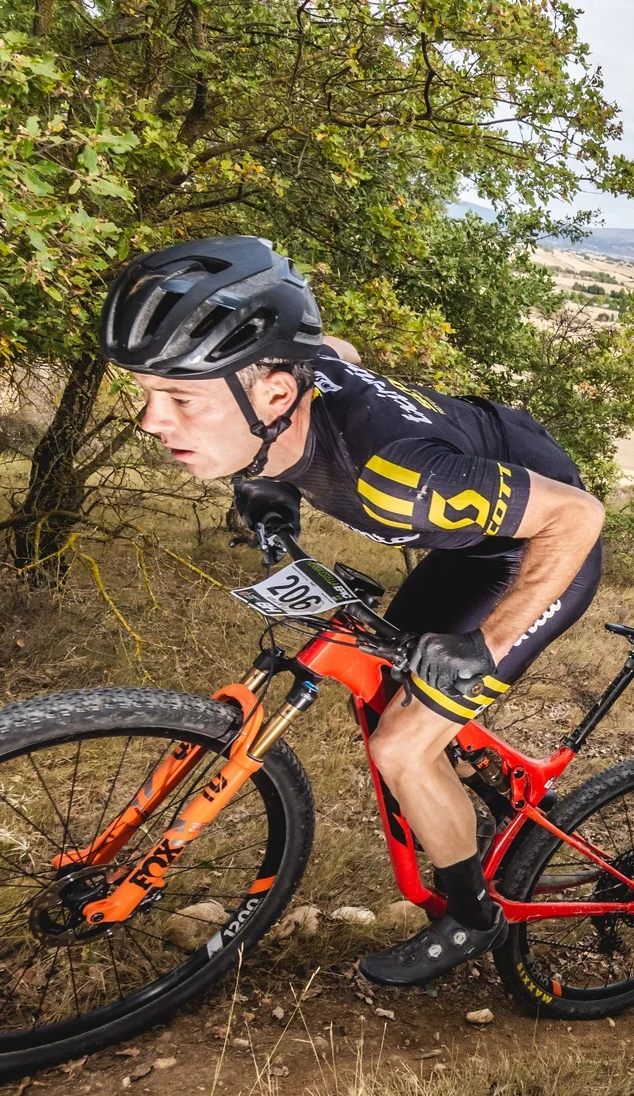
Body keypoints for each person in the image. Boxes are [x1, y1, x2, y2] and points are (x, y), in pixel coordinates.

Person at [101, 235, 606, 987]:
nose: (151, 421)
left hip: (538, 547)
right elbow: (333, 348)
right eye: (145, 393)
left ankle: (471, 914)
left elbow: (577, 518)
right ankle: (466, 780)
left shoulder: (397, 480)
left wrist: (487, 645)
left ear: (274, 395)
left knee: (401, 745)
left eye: (180, 399)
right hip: (470, 532)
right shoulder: (293, 383)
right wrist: (266, 474)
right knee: (380, 692)